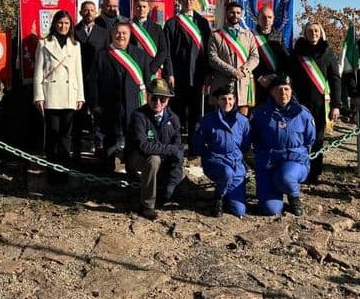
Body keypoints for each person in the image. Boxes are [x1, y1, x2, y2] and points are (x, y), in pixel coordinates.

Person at [88, 21, 151, 173]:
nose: (120, 36)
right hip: (109, 104)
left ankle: (132, 170)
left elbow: (148, 81)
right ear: (112, 34)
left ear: (129, 36)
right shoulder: (102, 55)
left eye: (124, 33)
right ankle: (108, 172)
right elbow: (93, 81)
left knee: (133, 139)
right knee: (109, 138)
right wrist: (95, 103)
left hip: (133, 105)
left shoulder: (140, 55)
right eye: (118, 32)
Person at [251, 73, 316, 216]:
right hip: (268, 163)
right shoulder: (260, 113)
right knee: (271, 210)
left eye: (286, 89)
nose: (283, 93)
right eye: (278, 89)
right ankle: (277, 188)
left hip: (294, 161)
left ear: (291, 91)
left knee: (286, 177)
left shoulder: (302, 113)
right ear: (271, 92)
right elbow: (254, 138)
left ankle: (294, 196)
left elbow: (310, 139)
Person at [33, 11, 85, 184]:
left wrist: (80, 96)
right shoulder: (43, 43)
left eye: (67, 23)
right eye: (60, 23)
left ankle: (63, 172)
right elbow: (38, 71)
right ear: (55, 24)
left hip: (70, 94)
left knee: (66, 135)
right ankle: (52, 172)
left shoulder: (75, 45)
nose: (63, 26)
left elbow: (78, 72)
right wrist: (38, 96)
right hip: (51, 94)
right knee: (53, 134)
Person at [289, 22, 341, 184]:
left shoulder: (328, 53)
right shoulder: (297, 53)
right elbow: (289, 76)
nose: (313, 33)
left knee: (317, 139)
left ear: (321, 33)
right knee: (300, 138)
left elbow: (335, 80)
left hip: (321, 104)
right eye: (310, 30)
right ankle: (299, 170)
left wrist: (336, 105)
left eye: (316, 30)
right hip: (300, 103)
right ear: (305, 33)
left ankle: (315, 171)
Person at [126, 78, 185, 220]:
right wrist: (170, 149)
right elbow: (144, 146)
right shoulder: (138, 116)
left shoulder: (174, 118)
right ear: (148, 97)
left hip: (165, 160)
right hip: (138, 157)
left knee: (170, 192)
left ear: (168, 100)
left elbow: (178, 148)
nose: (158, 103)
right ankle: (147, 206)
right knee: (153, 159)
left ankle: (164, 189)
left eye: (162, 99)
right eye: (154, 98)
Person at [191, 85, 251, 217]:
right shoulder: (207, 120)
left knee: (239, 210)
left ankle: (225, 193)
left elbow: (245, 145)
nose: (227, 102)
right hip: (215, 162)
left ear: (234, 100)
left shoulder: (243, 121)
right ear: (217, 101)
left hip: (236, 165)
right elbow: (198, 144)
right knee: (226, 172)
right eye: (223, 99)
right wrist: (208, 156)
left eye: (230, 99)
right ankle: (218, 199)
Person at [164, 0, 212, 135]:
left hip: (197, 75)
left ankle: (194, 146)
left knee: (196, 112)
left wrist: (208, 73)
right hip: (178, 75)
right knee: (177, 111)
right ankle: (176, 145)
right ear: (179, 1)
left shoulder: (202, 23)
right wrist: (169, 73)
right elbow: (166, 52)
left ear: (195, 0)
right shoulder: (171, 24)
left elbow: (209, 51)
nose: (188, 2)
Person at [207, 2, 259, 115]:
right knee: (220, 120)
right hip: (222, 83)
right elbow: (212, 58)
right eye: (232, 12)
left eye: (238, 13)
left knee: (242, 120)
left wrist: (243, 70)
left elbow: (255, 57)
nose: (235, 15)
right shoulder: (216, 35)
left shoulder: (248, 35)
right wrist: (232, 71)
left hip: (243, 84)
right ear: (226, 14)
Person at [73, 1, 108, 163]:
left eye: (92, 10)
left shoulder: (104, 32)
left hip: (98, 81)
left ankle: (100, 148)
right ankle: (77, 150)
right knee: (78, 116)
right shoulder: (73, 31)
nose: (89, 13)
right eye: (85, 10)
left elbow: (108, 56)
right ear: (80, 12)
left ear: (96, 12)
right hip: (77, 80)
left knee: (99, 115)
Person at [252, 5, 290, 106]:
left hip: (276, 81)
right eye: (263, 17)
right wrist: (260, 77)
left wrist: (280, 76)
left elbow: (283, 58)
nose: (266, 20)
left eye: (269, 17)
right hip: (258, 82)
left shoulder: (278, 35)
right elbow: (248, 59)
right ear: (258, 19)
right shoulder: (250, 35)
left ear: (273, 20)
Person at [131, 0, 173, 78]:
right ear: (134, 8)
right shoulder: (128, 27)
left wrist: (152, 68)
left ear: (148, 8)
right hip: (133, 69)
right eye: (138, 6)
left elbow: (163, 50)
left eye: (144, 6)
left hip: (152, 71)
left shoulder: (157, 28)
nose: (141, 9)